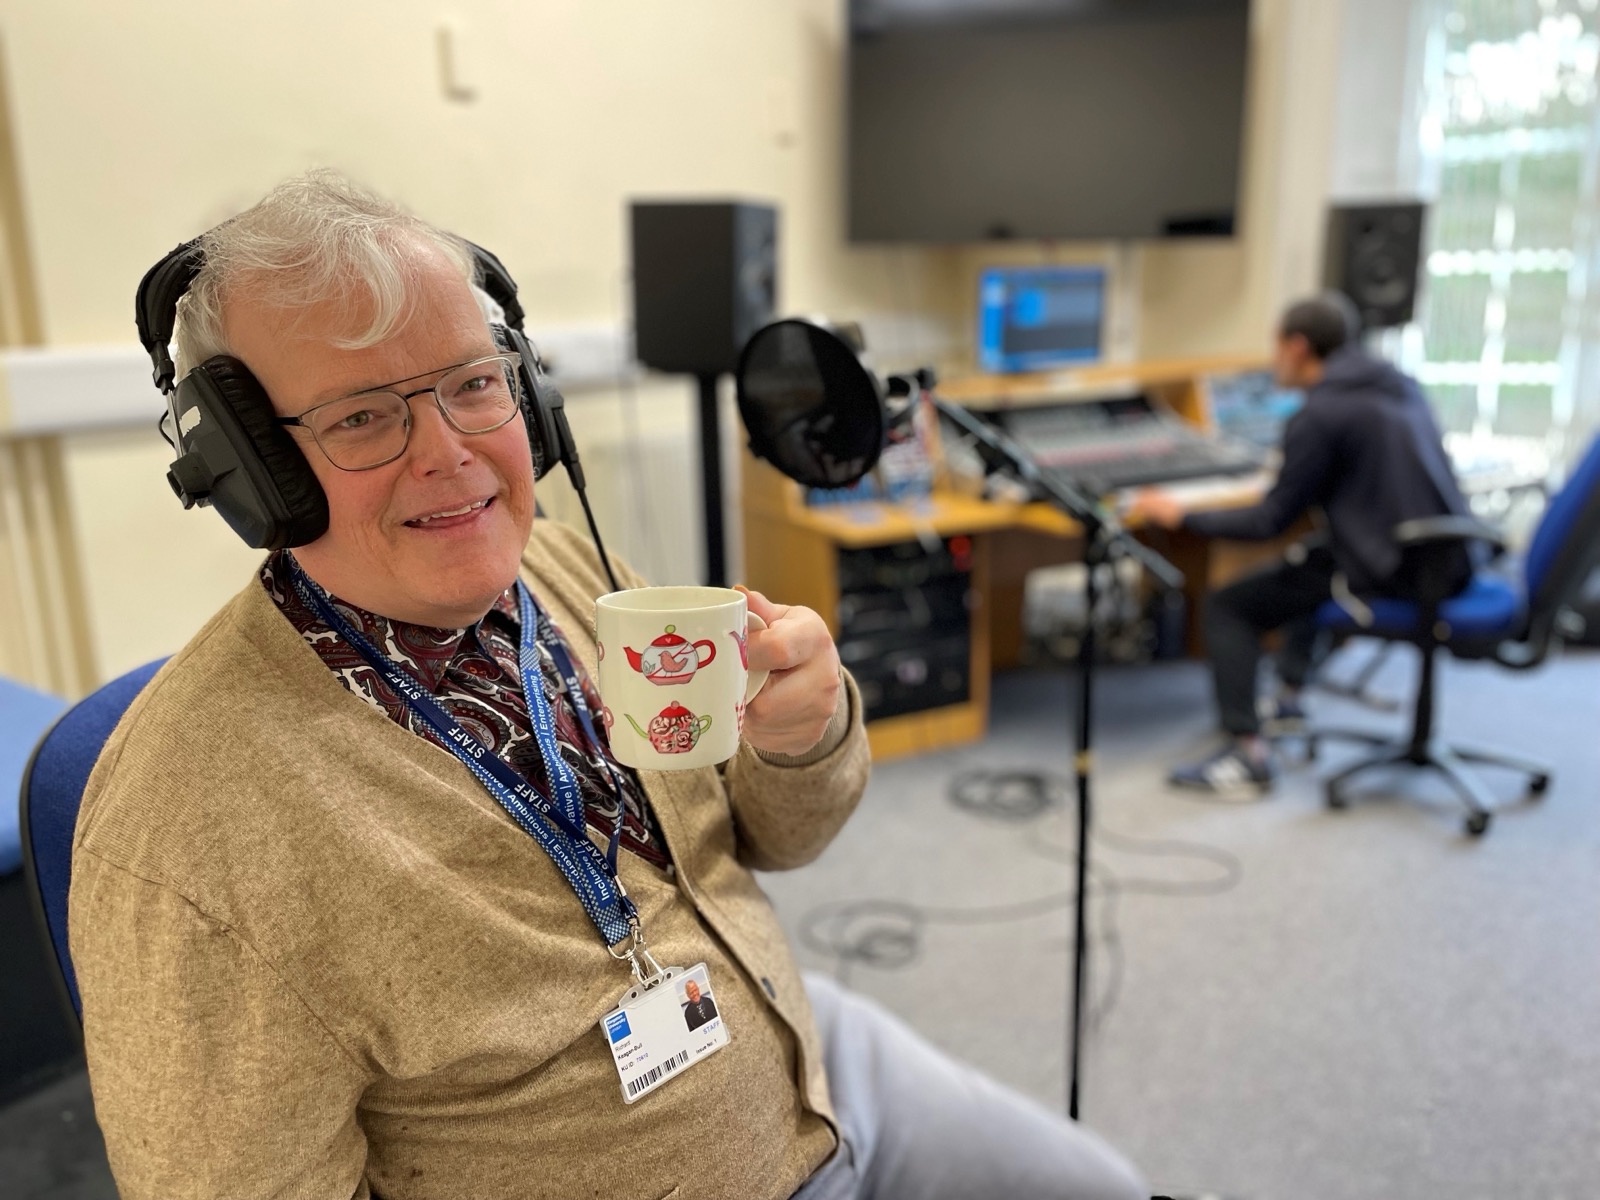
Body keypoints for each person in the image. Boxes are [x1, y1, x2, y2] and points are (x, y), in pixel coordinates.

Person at [71, 171, 1146, 1200]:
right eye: (361, 416)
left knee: (1103, 1187)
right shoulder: (190, 833)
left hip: (805, 1059)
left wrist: (801, 735)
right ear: (251, 472)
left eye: (472, 385)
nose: (451, 454)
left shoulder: (565, 574)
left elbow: (781, 840)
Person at [1131, 292, 1472, 796]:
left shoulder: (1320, 414)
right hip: (1448, 558)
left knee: (1231, 606)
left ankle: (1247, 756)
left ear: (1296, 346)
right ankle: (1287, 698)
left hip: (1391, 573)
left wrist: (1183, 515)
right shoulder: (1396, 383)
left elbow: (1269, 520)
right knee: (1309, 560)